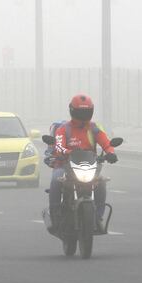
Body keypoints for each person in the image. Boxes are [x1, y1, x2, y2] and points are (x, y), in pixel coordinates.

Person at [47, 94, 118, 233]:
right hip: (65, 165)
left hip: (89, 166)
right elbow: (59, 145)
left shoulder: (94, 128)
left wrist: (110, 152)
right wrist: (65, 152)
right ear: (73, 111)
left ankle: (98, 218)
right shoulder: (63, 129)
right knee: (56, 179)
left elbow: (106, 142)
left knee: (101, 182)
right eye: (80, 112)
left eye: (86, 112)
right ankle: (55, 216)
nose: (83, 115)